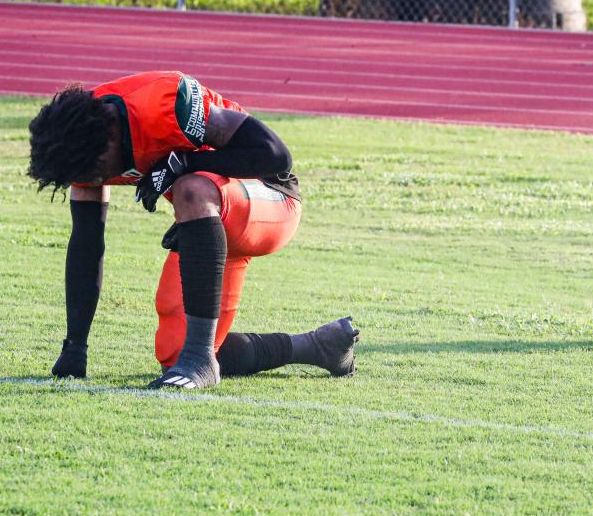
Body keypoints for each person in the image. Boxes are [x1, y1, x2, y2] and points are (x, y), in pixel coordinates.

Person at [26, 71, 359, 389]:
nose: (96, 179)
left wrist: (185, 163)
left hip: (271, 198)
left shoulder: (168, 104)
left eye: (96, 170)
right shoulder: (79, 145)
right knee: (174, 357)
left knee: (191, 187)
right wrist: (75, 348)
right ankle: (317, 347)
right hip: (210, 222)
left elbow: (275, 156)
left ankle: (201, 360)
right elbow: (87, 244)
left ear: (109, 135)